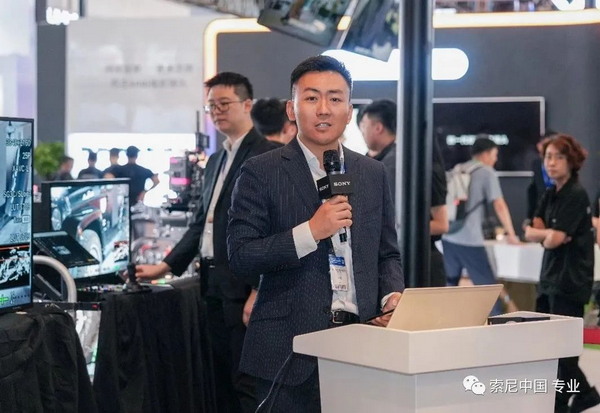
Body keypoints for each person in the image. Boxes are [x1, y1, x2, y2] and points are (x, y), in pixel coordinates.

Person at [227, 56, 404, 411]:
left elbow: (387, 253)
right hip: (288, 351)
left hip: (363, 347)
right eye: (311, 98)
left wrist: (392, 294)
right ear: (291, 109)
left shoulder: (371, 172)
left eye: (335, 99)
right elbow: (241, 256)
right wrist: (310, 231)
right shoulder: (261, 171)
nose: (324, 109)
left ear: (349, 111)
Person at [136, 72, 277, 413]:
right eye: (211, 106)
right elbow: (201, 223)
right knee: (218, 379)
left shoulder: (269, 156)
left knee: (248, 381)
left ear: (247, 104)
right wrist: (165, 267)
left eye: (224, 103)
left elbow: (274, 228)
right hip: (211, 283)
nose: (217, 112)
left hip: (244, 286)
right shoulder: (216, 160)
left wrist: (259, 288)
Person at [524, 134, 599, 413]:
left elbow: (553, 239)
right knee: (549, 347)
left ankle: (566, 400)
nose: (551, 163)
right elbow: (532, 231)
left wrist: (549, 235)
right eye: (548, 157)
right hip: (549, 279)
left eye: (558, 157)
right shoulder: (550, 193)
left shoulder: (576, 195)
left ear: (572, 161)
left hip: (570, 281)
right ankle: (582, 395)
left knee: (563, 351)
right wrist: (548, 234)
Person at [359, 99, 448, 286]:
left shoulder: (398, 164)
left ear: (378, 127)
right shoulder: (381, 162)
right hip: (401, 262)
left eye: (364, 125)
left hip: (415, 263)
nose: (362, 131)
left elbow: (441, 223)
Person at [441, 136, 519, 315]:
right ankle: (496, 324)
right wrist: (511, 233)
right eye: (494, 154)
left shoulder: (458, 168)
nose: (495, 159)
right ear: (485, 154)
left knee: (449, 285)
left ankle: (445, 322)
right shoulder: (486, 172)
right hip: (470, 239)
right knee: (487, 290)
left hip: (449, 235)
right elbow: (499, 204)